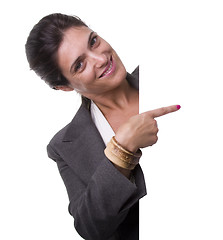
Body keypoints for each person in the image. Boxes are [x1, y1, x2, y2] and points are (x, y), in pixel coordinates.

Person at [25, 13, 180, 240]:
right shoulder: (64, 147)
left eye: (93, 41)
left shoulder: (169, 69)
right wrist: (122, 150)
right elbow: (91, 228)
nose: (100, 59)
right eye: (79, 64)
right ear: (65, 87)